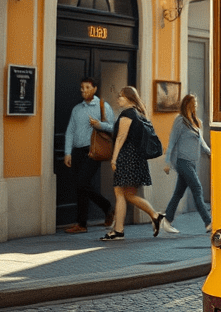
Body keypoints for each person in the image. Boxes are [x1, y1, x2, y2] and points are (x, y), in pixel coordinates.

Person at [102, 86, 171, 241]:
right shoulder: (139, 114)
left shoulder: (127, 114)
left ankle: (118, 231)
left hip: (127, 157)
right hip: (136, 158)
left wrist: (114, 158)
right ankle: (155, 215)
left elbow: (121, 138)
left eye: (121, 96)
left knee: (120, 194)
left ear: (129, 98)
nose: (118, 99)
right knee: (128, 195)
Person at [63, 77, 115, 234]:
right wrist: (67, 152)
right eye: (81, 88)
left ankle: (105, 207)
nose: (83, 90)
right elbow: (70, 131)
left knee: (82, 183)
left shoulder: (103, 107)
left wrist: (99, 125)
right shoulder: (77, 109)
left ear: (94, 89)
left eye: (86, 87)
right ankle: (82, 224)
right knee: (81, 187)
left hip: (93, 152)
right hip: (77, 152)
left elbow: (113, 127)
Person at [163, 94, 212, 233]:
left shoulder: (196, 121)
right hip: (182, 162)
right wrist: (167, 162)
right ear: (187, 104)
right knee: (197, 188)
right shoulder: (180, 121)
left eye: (196, 102)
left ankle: (167, 221)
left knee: (178, 193)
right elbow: (172, 141)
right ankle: (208, 222)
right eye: (193, 102)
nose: (196, 105)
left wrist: (210, 153)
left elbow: (201, 142)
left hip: (192, 162)